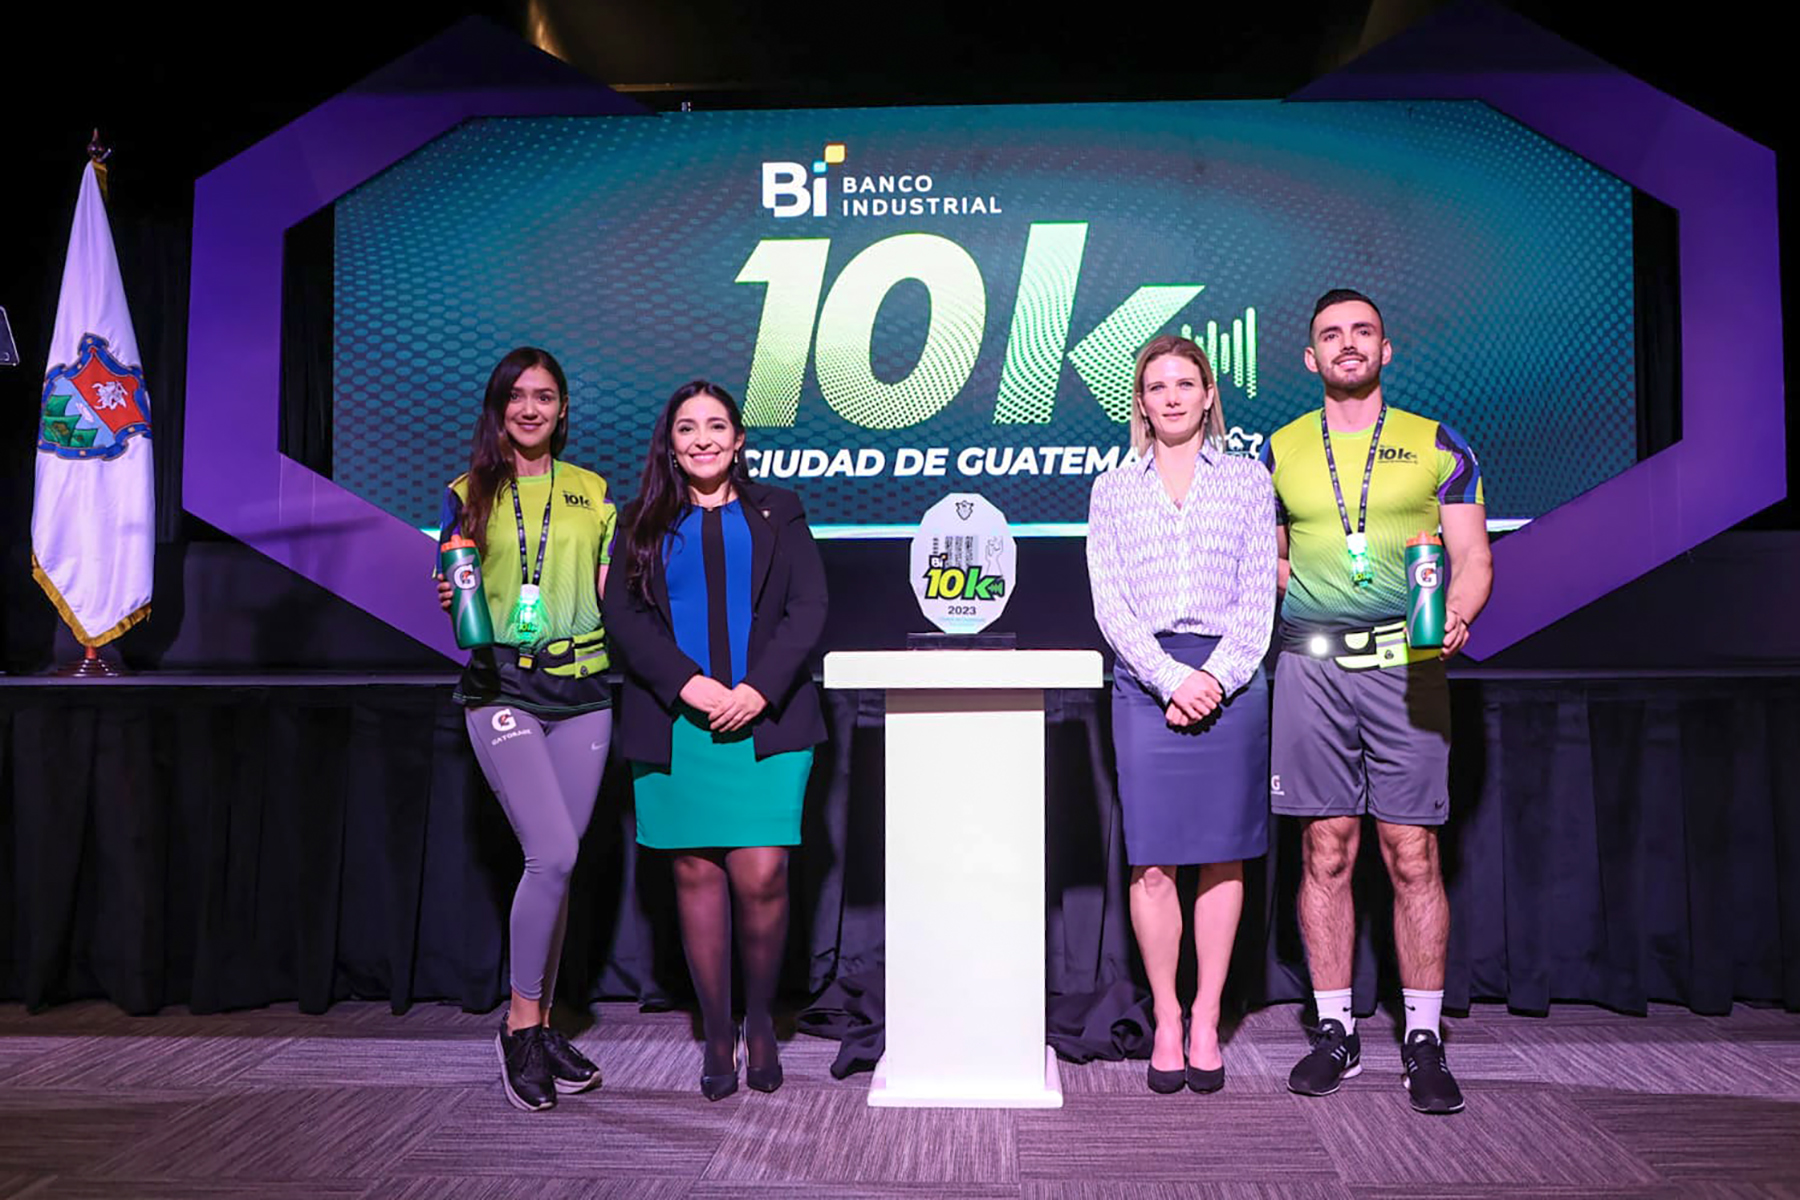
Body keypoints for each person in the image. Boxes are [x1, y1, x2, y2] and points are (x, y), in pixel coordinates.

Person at [1261, 289, 1493, 1115]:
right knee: (1325, 850)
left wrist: (1457, 612)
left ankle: (1422, 1040)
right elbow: (1274, 563)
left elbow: (1472, 557)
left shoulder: (1437, 443)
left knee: (1413, 854)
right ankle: (1335, 1032)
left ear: (1386, 350)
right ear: (1310, 358)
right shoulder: (1277, 450)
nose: (1348, 345)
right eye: (1331, 335)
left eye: (1363, 332)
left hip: (1409, 664)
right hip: (1312, 669)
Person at [603, 380, 827, 1101]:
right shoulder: (638, 519)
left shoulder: (779, 511)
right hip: (675, 725)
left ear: (739, 440)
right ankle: (716, 1027)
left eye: (716, 426)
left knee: (762, 873)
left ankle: (760, 1019)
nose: (702, 438)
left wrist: (757, 689)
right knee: (695, 875)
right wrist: (690, 686)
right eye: (687, 428)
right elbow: (626, 618)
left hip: (768, 721)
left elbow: (809, 605)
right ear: (670, 442)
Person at [1086, 334, 1277, 1094]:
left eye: (1185, 383)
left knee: (1222, 856)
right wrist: (1170, 679)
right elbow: (1111, 605)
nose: (1170, 396)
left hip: (1231, 683)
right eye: (1156, 385)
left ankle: (1206, 1016)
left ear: (1207, 396)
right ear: (1142, 400)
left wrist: (1216, 678)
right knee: (1155, 860)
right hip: (1144, 682)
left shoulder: (1248, 481)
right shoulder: (1111, 489)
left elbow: (1260, 600)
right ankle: (1166, 1014)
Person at [434, 347, 618, 1112]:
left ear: (564, 408)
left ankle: (540, 1025)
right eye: (517, 396)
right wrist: (448, 591)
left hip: (584, 687)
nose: (531, 408)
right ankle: (518, 1027)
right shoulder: (468, 491)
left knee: (560, 867)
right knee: (555, 851)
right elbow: (457, 593)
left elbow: (614, 592)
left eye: (545, 396)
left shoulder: (593, 492)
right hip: (501, 685)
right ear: (499, 408)